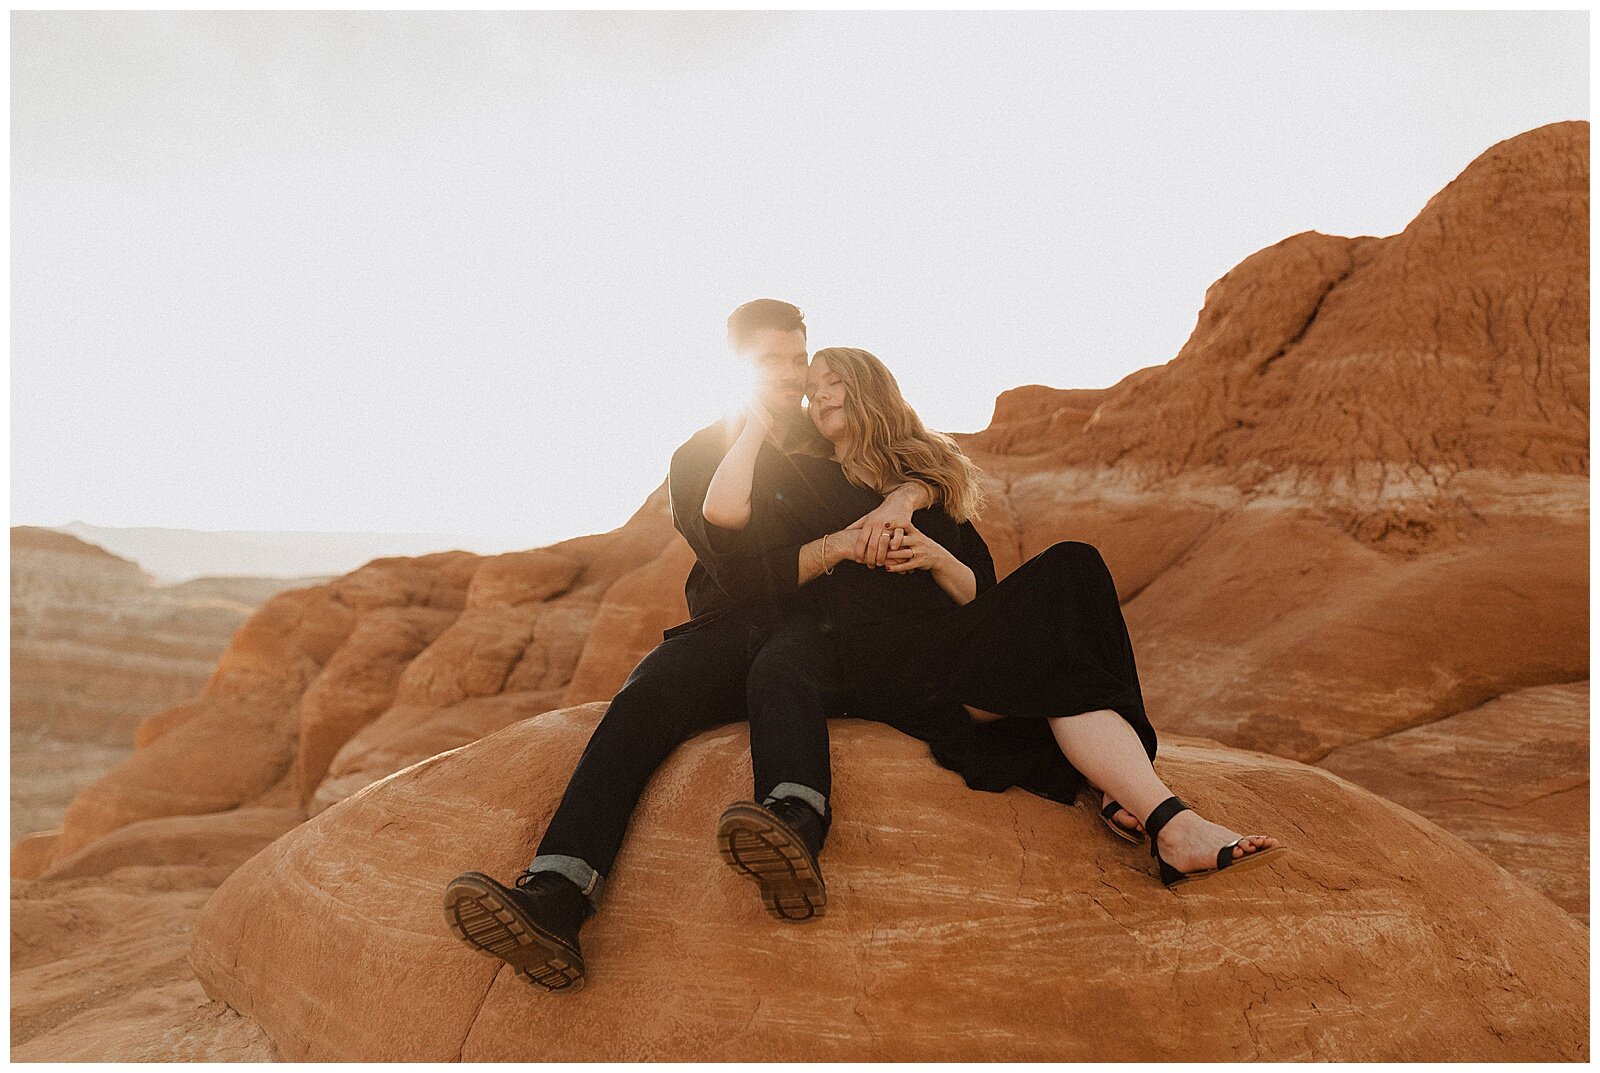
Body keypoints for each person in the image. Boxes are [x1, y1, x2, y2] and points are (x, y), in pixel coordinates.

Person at [441, 303, 933, 994]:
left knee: (782, 662)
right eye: (773, 361)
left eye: (798, 358)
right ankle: (557, 895)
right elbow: (743, 575)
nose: (793, 375)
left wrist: (906, 494)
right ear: (739, 367)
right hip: (737, 623)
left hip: (829, 632)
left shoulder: (830, 429)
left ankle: (793, 825)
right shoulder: (701, 457)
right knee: (649, 690)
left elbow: (919, 454)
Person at [703, 346, 1286, 890]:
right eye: (811, 390)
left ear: (871, 389)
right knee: (1061, 662)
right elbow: (722, 511)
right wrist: (755, 420)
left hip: (951, 642)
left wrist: (933, 554)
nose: (820, 396)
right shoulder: (804, 476)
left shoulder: (927, 478)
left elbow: (977, 591)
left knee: (1074, 567)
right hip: (879, 658)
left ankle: (1150, 812)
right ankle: (1158, 814)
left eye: (834, 382)